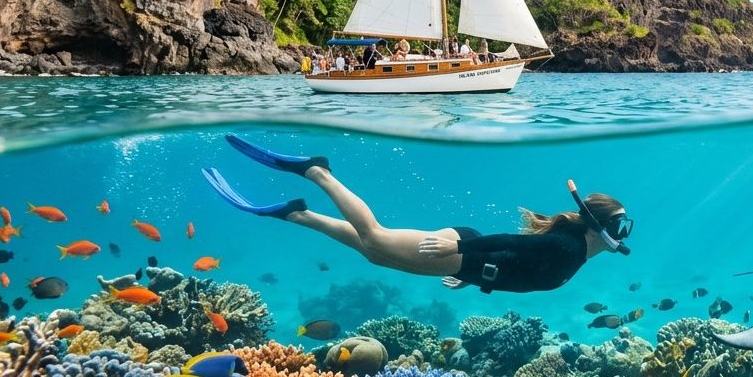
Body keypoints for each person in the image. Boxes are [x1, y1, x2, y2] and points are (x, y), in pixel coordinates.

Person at [202, 135, 633, 293]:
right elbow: (512, 243)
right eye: (619, 224)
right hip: (461, 251)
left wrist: (473, 276)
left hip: (467, 261)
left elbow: (520, 267)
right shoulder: (566, 246)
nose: (623, 232)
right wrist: (459, 251)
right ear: (597, 225)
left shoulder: (575, 250)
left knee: (376, 253)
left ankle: (299, 215)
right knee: (375, 236)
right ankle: (318, 172)